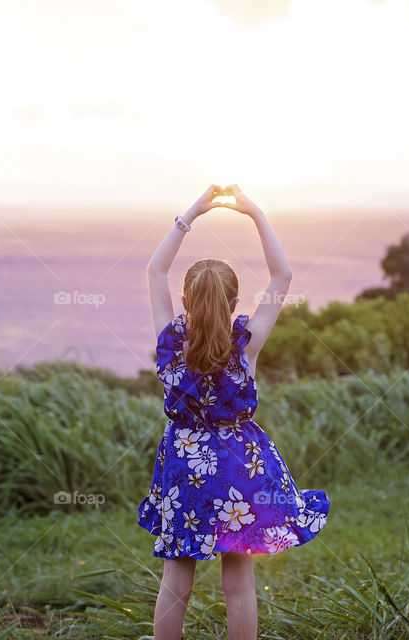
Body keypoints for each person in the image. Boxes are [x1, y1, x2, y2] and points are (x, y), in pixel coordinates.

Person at [137, 184, 330, 640]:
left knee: (176, 576)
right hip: (240, 465)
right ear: (234, 303)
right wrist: (255, 214)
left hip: (185, 465)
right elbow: (281, 276)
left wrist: (193, 214)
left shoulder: (170, 342)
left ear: (185, 303)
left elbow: (154, 269)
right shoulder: (246, 344)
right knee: (239, 581)